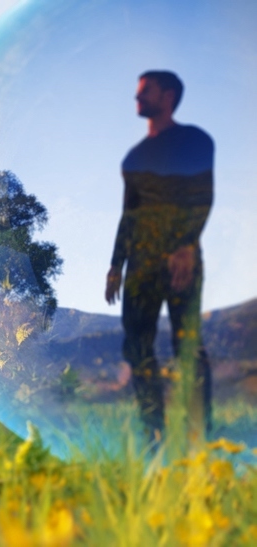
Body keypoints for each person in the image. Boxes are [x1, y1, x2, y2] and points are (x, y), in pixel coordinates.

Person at [105, 70, 213, 445]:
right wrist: (116, 265)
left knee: (187, 341)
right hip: (141, 263)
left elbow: (202, 194)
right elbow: (128, 214)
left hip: (180, 260)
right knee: (136, 343)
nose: (137, 98)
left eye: (144, 92)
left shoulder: (194, 140)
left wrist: (186, 245)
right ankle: (153, 429)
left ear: (168, 96)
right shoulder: (134, 158)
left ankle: (200, 433)